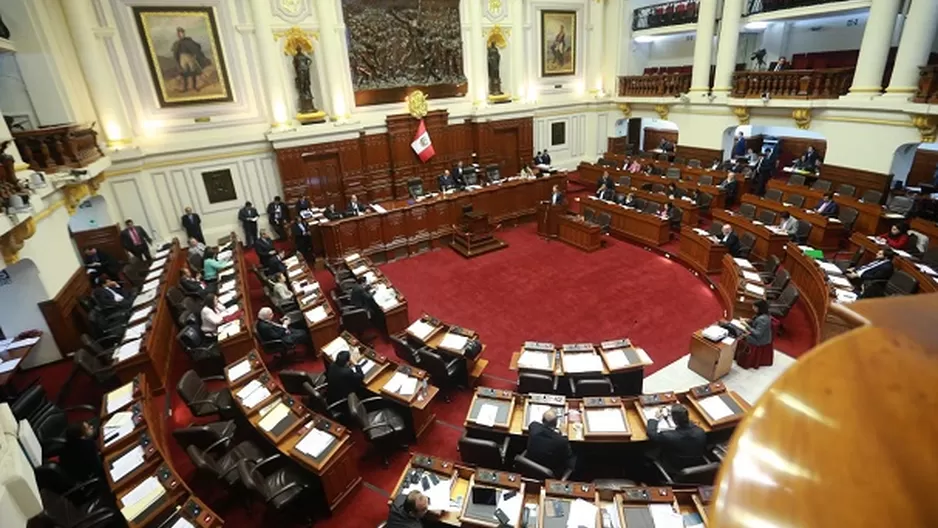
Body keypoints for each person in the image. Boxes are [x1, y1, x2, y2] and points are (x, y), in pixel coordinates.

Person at [646, 404, 706, 472]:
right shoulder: (700, 431)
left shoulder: (668, 436)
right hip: (697, 463)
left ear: (675, 420)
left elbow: (651, 433)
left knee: (649, 451)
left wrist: (655, 418)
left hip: (674, 467)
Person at [527, 409, 575, 478]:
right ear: (556, 424)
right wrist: (564, 433)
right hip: (551, 469)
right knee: (574, 458)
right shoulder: (561, 441)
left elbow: (536, 425)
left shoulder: (534, 426)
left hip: (531, 464)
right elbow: (568, 455)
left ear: (542, 420)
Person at [737, 299, 774, 369]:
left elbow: (758, 334)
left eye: (754, 307)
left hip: (760, 340)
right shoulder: (764, 314)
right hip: (761, 336)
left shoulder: (763, 319)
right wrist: (748, 321)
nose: (753, 308)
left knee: (740, 335)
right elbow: (756, 323)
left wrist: (746, 326)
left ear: (759, 308)